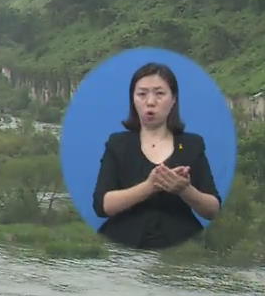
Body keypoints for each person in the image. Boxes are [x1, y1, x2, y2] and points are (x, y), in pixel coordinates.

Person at [92, 62, 222, 249]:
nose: (150, 102)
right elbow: (102, 205)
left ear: (173, 99)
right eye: (142, 94)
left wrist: (185, 190)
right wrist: (149, 186)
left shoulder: (193, 145)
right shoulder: (118, 144)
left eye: (159, 94)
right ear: (133, 99)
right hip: (122, 247)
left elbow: (213, 210)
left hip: (180, 248)